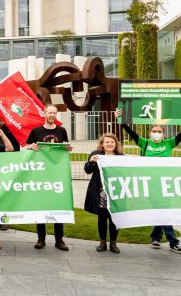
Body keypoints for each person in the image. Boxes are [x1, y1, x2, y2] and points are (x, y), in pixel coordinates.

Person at [117, 106, 181, 253]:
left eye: (159, 132)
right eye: (154, 131)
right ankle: (172, 242)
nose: (157, 134)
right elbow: (130, 132)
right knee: (162, 210)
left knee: (161, 210)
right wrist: (121, 120)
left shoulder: (169, 143)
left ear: (163, 134)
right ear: (149, 133)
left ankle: (157, 238)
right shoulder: (144, 143)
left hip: (165, 182)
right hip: (150, 183)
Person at [23, 104, 72, 250]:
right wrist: (31, 146)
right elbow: (27, 147)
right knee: (41, 204)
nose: (52, 115)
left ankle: (59, 240)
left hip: (57, 173)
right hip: (41, 173)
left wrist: (67, 149)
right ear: (44, 114)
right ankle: (41, 238)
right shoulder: (36, 131)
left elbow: (63, 149)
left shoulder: (61, 130)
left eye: (54, 113)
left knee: (58, 204)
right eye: (50, 112)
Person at [84, 132, 124, 253]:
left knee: (114, 217)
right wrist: (91, 161)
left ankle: (113, 243)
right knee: (102, 217)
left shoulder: (120, 157)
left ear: (116, 144)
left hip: (115, 190)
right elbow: (87, 170)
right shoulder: (96, 155)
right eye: (107, 142)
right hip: (100, 191)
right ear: (102, 144)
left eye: (112, 142)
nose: (110, 144)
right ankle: (102, 242)